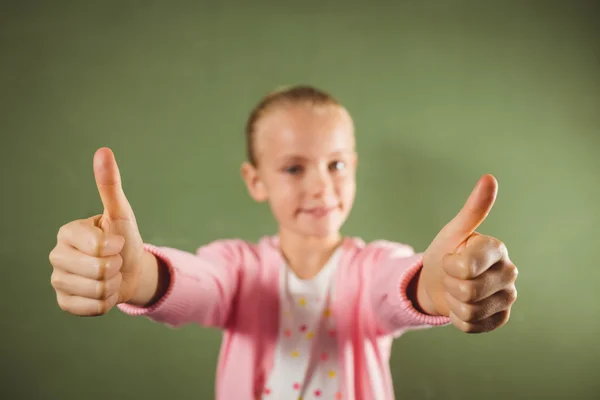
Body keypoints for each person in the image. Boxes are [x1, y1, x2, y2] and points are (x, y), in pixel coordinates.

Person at [48, 85, 518, 400]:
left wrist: (439, 287)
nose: (320, 186)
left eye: (335, 165)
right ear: (256, 181)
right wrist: (137, 276)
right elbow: (199, 284)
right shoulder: (238, 266)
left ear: (353, 167)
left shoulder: (374, 264)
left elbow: (398, 287)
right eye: (294, 167)